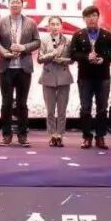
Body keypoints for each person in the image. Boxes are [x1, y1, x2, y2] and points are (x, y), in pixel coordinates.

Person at [0, 0, 41, 147]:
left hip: (23, 68)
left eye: (17, 2)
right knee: (6, 103)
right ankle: (6, 135)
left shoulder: (30, 22)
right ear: (8, 5)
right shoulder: (1, 22)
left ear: (22, 5)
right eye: (12, 2)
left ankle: (22, 135)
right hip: (6, 68)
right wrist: (4, 53)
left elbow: (37, 42)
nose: (15, 4)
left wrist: (23, 47)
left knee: (22, 103)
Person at [70, 5, 111, 150]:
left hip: (103, 76)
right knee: (85, 108)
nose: (91, 19)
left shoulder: (106, 34)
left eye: (94, 15)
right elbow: (73, 54)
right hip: (85, 77)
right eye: (88, 16)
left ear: (98, 17)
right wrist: (86, 57)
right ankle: (86, 137)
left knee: (102, 108)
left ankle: (100, 136)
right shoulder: (78, 35)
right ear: (84, 19)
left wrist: (104, 59)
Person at [38, 15, 74, 147]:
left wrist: (62, 60)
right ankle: (52, 135)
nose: (55, 27)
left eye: (57, 24)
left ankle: (60, 135)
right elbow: (40, 59)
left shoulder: (68, 40)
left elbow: (72, 59)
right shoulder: (43, 40)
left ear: (61, 26)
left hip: (64, 77)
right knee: (50, 110)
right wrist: (52, 54)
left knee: (62, 110)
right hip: (48, 77)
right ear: (48, 26)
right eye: (52, 24)